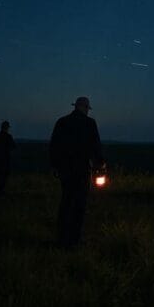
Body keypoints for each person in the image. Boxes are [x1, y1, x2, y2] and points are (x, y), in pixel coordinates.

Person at [49, 96, 104, 247]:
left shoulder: (62, 122)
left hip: (65, 169)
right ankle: (74, 239)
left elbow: (54, 145)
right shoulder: (90, 123)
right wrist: (100, 164)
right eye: (87, 108)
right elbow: (95, 145)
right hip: (82, 169)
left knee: (66, 201)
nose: (87, 111)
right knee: (79, 204)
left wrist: (55, 166)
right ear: (84, 107)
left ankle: (61, 238)